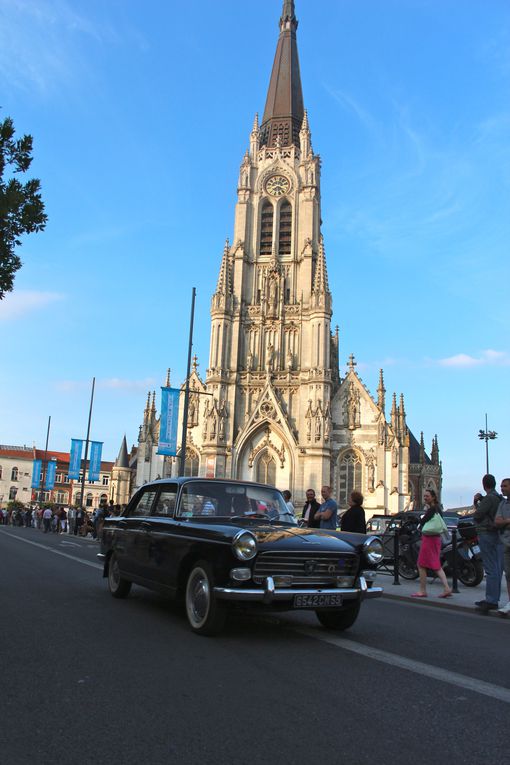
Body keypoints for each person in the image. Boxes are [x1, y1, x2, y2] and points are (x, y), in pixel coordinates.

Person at [411, 489, 452, 599]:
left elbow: (423, 521)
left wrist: (418, 519)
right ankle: (446, 587)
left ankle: (422, 590)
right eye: (424, 496)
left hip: (429, 539)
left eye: (427, 496)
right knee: (435, 565)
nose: (425, 498)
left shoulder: (432, 509)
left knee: (421, 564)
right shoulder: (438, 509)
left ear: (433, 497)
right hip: (436, 539)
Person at [473, 474, 504, 612]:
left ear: (484, 484)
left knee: (490, 568)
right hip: (497, 534)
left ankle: (491, 600)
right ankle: (494, 598)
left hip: (487, 533)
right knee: (497, 568)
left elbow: (477, 515)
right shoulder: (499, 498)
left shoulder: (489, 498)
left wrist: (476, 502)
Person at [495, 477, 510, 616]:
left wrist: (503, 521)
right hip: (505, 541)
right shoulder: (502, 503)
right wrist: (507, 521)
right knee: (509, 574)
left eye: (505, 486)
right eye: (501, 486)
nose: (502, 488)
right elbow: (497, 520)